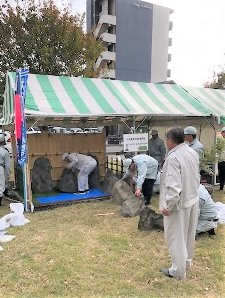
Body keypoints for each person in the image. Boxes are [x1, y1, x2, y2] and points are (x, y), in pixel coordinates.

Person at [160, 127, 200, 279]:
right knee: (189, 235)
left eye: (166, 139)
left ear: (170, 140)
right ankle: (187, 262)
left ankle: (177, 270)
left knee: (176, 237)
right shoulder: (191, 152)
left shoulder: (173, 157)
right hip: (192, 198)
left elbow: (174, 186)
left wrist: (168, 205)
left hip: (179, 204)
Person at [0, 134, 11, 206]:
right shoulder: (5, 152)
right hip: (0, 168)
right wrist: (7, 176)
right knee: (1, 186)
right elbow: (7, 166)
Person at [218, 127, 225, 191]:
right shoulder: (220, 141)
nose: (221, 133)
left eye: (222, 132)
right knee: (221, 175)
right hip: (220, 161)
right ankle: (221, 188)